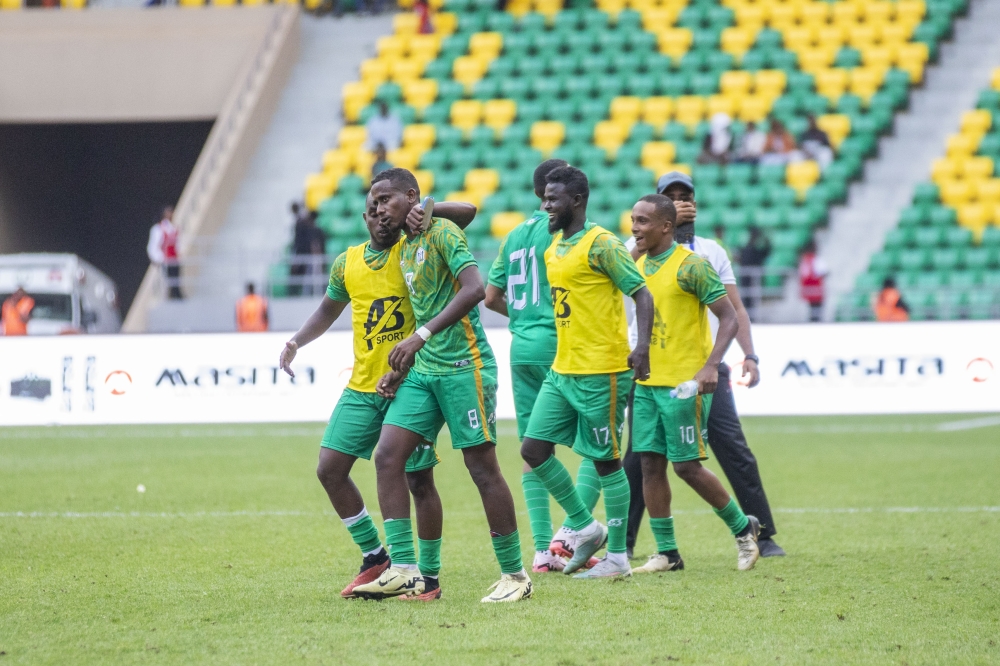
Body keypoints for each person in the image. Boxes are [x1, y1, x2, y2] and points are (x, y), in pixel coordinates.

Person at [279, 189, 476, 602]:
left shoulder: (414, 248)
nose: (379, 216)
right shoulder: (347, 261)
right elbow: (328, 310)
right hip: (362, 385)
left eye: (385, 209)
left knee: (418, 479)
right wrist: (298, 341)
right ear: (364, 219)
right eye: (371, 211)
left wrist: (427, 210)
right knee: (329, 468)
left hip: (408, 382)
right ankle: (374, 556)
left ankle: (427, 575)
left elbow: (467, 213)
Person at [352, 168, 531, 603]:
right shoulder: (403, 245)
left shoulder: (442, 232)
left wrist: (421, 337)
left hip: (463, 366)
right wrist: (402, 364)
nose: (377, 208)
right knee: (388, 456)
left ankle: (516, 576)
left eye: (386, 199)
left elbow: (475, 290)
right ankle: (410, 572)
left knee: (481, 468)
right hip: (424, 371)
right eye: (372, 203)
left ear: (412, 197)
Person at [621, 171, 785, 559]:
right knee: (643, 461)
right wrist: (658, 228)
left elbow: (734, 311)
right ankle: (642, 548)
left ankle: (758, 532)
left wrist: (747, 355)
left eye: (686, 195)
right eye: (671, 196)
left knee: (722, 453)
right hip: (646, 371)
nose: (682, 201)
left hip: (697, 371)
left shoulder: (707, 254)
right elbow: (614, 276)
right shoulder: (637, 248)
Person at [519, 165, 654, 580]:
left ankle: (617, 559)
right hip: (562, 369)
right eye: (543, 198)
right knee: (532, 450)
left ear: (576, 201)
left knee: (606, 463)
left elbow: (641, 293)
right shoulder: (554, 247)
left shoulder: (603, 244)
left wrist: (642, 348)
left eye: (553, 199)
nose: (545, 206)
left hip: (602, 371)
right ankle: (584, 525)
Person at [483, 159, 604, 574]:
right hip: (565, 345)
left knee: (534, 449)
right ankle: (574, 533)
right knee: (597, 444)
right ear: (548, 193)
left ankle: (541, 551)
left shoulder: (514, 235)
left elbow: (490, 296)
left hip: (522, 350)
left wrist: (521, 317)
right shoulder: (564, 234)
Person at [147, 206, 181, 300]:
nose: (171, 214)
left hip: (174, 261)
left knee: (176, 284)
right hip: (165, 262)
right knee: (166, 286)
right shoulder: (158, 229)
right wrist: (160, 259)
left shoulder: (174, 228)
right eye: (169, 212)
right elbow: (152, 247)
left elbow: (177, 245)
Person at [290, 209, 326, 297]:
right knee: (309, 278)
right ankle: (307, 294)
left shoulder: (315, 230)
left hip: (315, 258)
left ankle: (315, 294)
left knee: (315, 278)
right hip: (310, 257)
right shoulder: (307, 230)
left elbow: (316, 245)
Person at [738, 226, 771, 315]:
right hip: (746, 278)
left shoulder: (756, 250)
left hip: (754, 278)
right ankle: (748, 316)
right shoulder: (746, 249)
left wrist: (765, 239)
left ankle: (752, 316)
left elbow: (767, 251)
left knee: (753, 298)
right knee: (746, 297)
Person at [798, 239, 828, 322]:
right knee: (817, 308)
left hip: (807, 288)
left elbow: (802, 274)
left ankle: (813, 320)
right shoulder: (816, 260)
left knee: (812, 308)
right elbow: (823, 271)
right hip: (816, 288)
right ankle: (815, 321)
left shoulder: (804, 260)